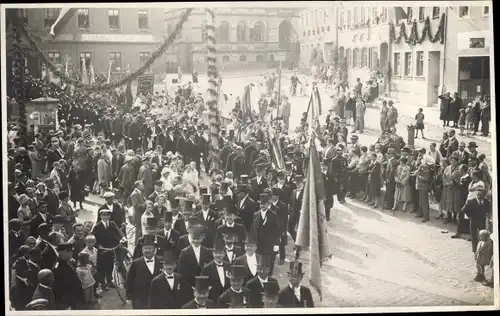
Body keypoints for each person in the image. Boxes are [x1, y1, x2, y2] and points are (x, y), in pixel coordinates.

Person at [91, 208, 126, 292]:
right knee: (102, 267)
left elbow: (119, 232)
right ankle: (103, 284)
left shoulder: (112, 224)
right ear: (100, 216)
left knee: (110, 266)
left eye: (107, 215)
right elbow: (93, 238)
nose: (106, 217)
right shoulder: (97, 227)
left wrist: (123, 239)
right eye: (104, 215)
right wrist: (98, 246)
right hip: (102, 250)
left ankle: (109, 281)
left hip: (112, 248)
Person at [126, 235, 163, 309]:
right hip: (141, 300)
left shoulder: (161, 261)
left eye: (150, 248)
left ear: (155, 249)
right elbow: (129, 281)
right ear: (142, 250)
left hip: (159, 299)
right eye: (145, 248)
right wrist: (129, 297)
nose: (147, 251)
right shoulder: (136, 263)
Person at [52, 243, 86, 309]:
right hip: (67, 301)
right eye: (70, 251)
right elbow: (59, 287)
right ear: (64, 252)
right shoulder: (58, 266)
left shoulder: (67, 262)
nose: (72, 253)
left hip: (73, 298)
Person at [201, 238, 231, 303]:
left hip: (227, 299)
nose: (218, 255)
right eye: (216, 253)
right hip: (213, 300)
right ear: (212, 254)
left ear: (224, 254)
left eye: (220, 253)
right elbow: (204, 286)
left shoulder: (228, 266)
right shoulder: (206, 268)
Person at [462, 187, 490, 253]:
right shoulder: (471, 201)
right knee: (474, 237)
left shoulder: (486, 202)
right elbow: (463, 210)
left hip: (482, 221)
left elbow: (488, 210)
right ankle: (475, 251)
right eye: (478, 194)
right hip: (473, 221)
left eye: (481, 195)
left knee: (483, 237)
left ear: (484, 195)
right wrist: (470, 216)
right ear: (476, 194)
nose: (479, 196)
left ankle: (482, 250)